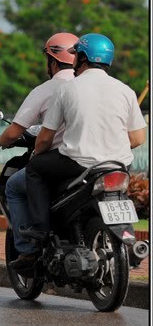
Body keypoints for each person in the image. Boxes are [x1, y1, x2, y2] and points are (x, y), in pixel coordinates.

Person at [20, 33, 147, 264]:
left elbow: (45, 138)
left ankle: (39, 230)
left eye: (77, 54)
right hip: (118, 164)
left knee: (34, 169)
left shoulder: (67, 89)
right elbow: (138, 138)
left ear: (83, 57)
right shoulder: (125, 90)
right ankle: (127, 240)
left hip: (77, 162)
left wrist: (38, 151)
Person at [0, 33, 78, 269]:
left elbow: (23, 134)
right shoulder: (98, 88)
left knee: (14, 186)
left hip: (63, 160)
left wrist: (0, 140)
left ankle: (29, 251)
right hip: (104, 160)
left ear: (52, 61)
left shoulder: (51, 89)